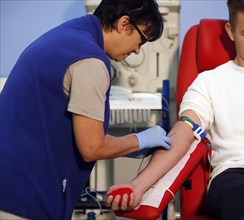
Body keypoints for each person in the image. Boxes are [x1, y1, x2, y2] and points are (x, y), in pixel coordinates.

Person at [105, 0, 244, 219]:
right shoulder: (209, 82)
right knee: (240, 206)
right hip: (238, 178)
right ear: (231, 31)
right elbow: (183, 133)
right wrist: (138, 185)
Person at [0, 0, 172, 219]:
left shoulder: (65, 36)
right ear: (124, 23)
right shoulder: (90, 60)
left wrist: (130, 147)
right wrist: (141, 140)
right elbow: (92, 147)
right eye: (141, 40)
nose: (137, 50)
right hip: (22, 199)